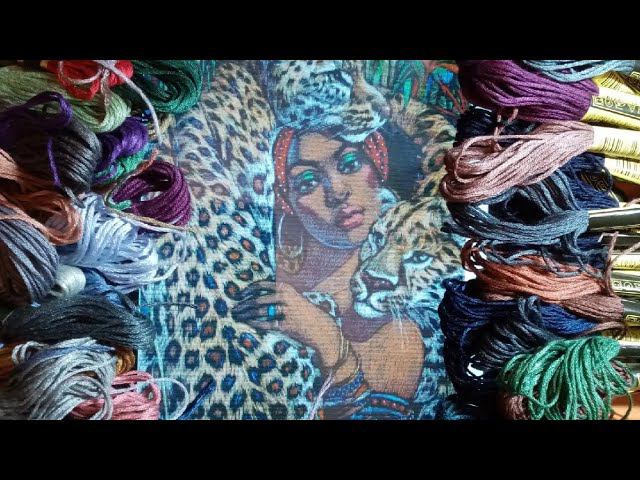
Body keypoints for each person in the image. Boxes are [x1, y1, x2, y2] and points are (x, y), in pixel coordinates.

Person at [232, 125, 429, 419]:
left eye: (349, 164)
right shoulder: (251, 257)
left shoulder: (396, 332)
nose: (337, 191)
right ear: (286, 200)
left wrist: (329, 342)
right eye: (307, 182)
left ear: (378, 163)